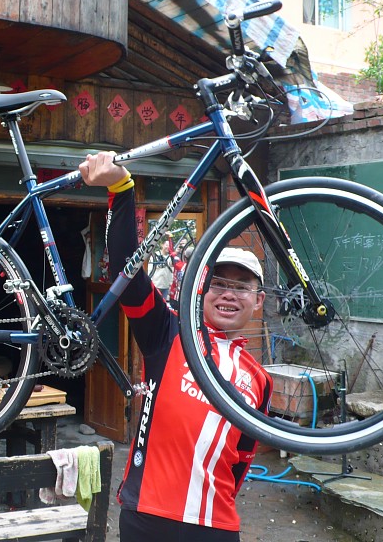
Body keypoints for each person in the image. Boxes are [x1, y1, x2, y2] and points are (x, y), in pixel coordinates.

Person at [79, 152, 272, 542]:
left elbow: (242, 460)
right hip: (146, 516)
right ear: (199, 290)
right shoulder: (168, 332)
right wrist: (120, 189)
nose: (229, 294)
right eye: (218, 283)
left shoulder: (260, 380)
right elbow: (126, 275)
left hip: (216, 526)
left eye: (241, 287)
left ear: (259, 301)